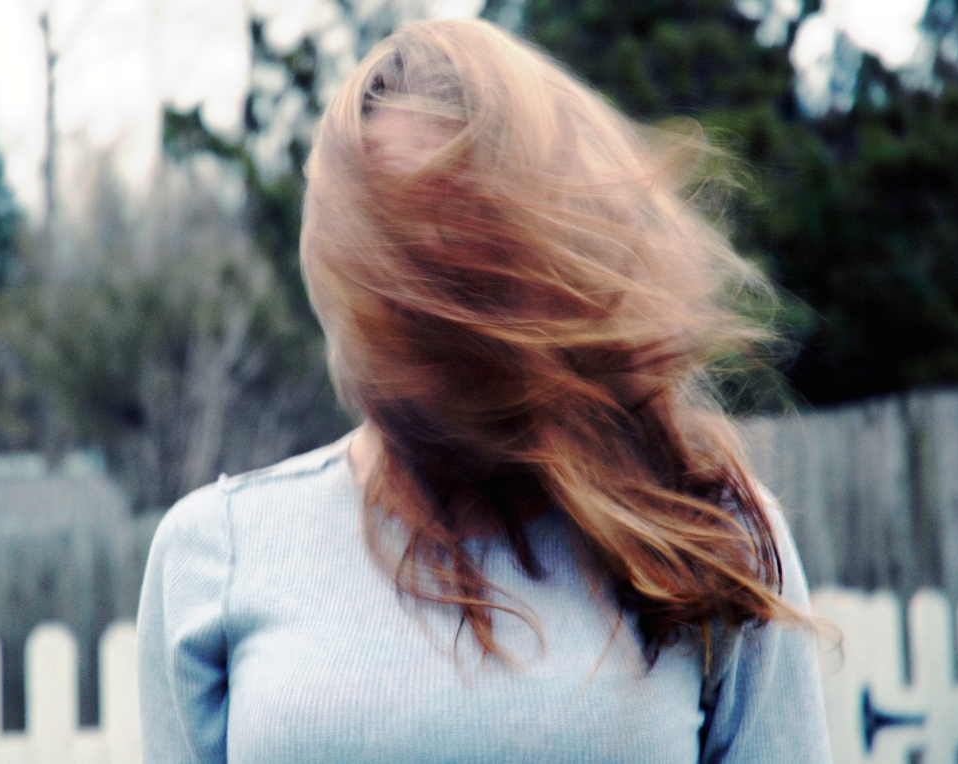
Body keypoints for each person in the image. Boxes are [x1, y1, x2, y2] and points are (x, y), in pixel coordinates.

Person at [136, 18, 831, 764]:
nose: (426, 291)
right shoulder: (217, 552)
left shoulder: (706, 537)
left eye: (464, 237)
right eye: (394, 238)